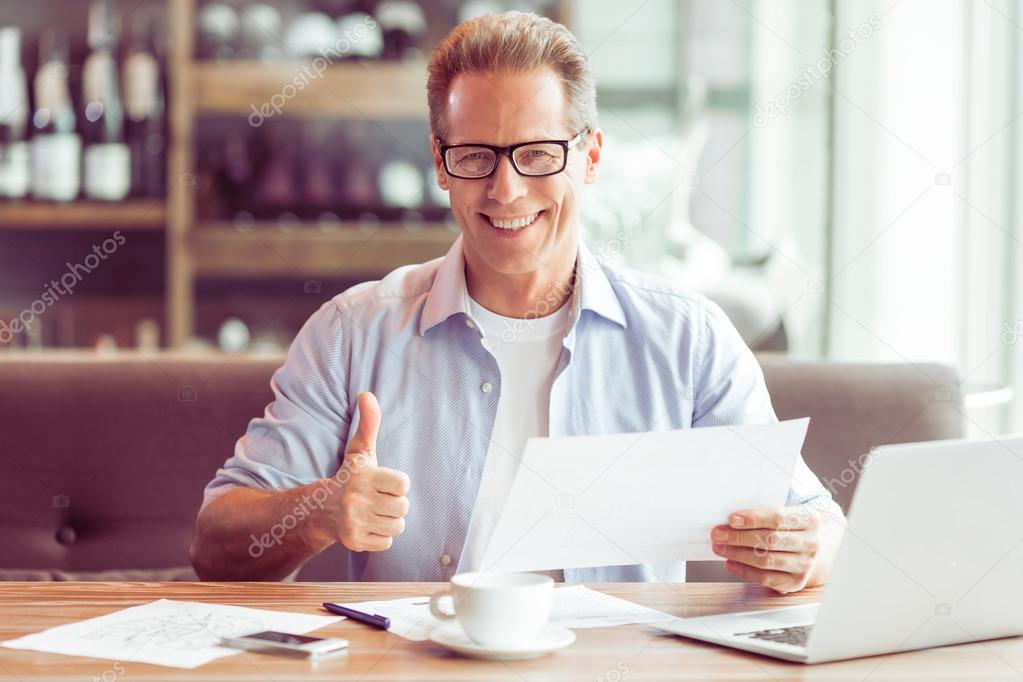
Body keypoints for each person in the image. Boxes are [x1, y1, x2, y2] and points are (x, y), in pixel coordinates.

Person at [191, 11, 845, 593]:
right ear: (440, 164)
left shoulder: (687, 337)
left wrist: (808, 550)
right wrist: (322, 510)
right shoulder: (352, 332)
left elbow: (819, 523)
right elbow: (215, 548)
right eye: (475, 156)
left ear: (588, 156)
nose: (505, 190)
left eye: (536, 154)